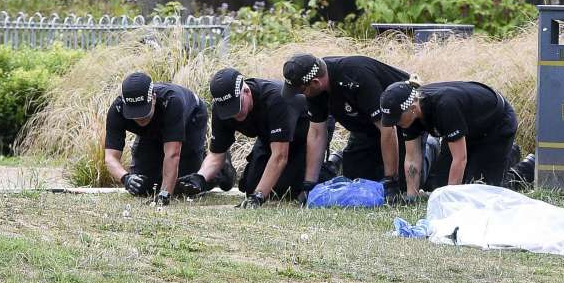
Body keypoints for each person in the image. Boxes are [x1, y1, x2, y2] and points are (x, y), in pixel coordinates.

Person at [178, 68, 322, 209]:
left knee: (285, 189)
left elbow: (279, 157)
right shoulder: (221, 108)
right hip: (270, 139)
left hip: (306, 137)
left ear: (246, 92)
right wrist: (200, 177)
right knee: (250, 186)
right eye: (228, 110)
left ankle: (329, 166)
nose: (234, 115)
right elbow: (216, 154)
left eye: (236, 107)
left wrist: (258, 197)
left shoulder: (276, 98)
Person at [282, 53, 411, 193]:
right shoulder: (314, 90)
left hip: (401, 123)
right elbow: (317, 133)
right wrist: (309, 185)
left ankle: (429, 147)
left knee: (405, 182)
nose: (302, 95)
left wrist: (391, 180)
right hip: (366, 128)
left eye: (301, 90)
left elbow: (388, 128)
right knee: (356, 182)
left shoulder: (356, 76)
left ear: (315, 82)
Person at [103, 72, 231, 206]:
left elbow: (172, 154)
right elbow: (110, 157)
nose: (139, 118)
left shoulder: (171, 101)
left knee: (186, 185)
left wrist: (164, 194)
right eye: (133, 114)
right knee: (142, 186)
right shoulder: (117, 109)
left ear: (153, 98)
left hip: (191, 118)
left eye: (143, 112)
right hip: (153, 131)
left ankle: (220, 168)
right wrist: (126, 178)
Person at [380, 79, 519, 192]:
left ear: (413, 109)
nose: (396, 124)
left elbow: (460, 158)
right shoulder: (409, 118)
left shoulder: (445, 106)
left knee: (478, 189)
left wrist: (450, 200)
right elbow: (412, 158)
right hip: (463, 130)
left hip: (496, 124)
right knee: (439, 187)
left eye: (397, 119)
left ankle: (520, 167)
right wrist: (412, 196)